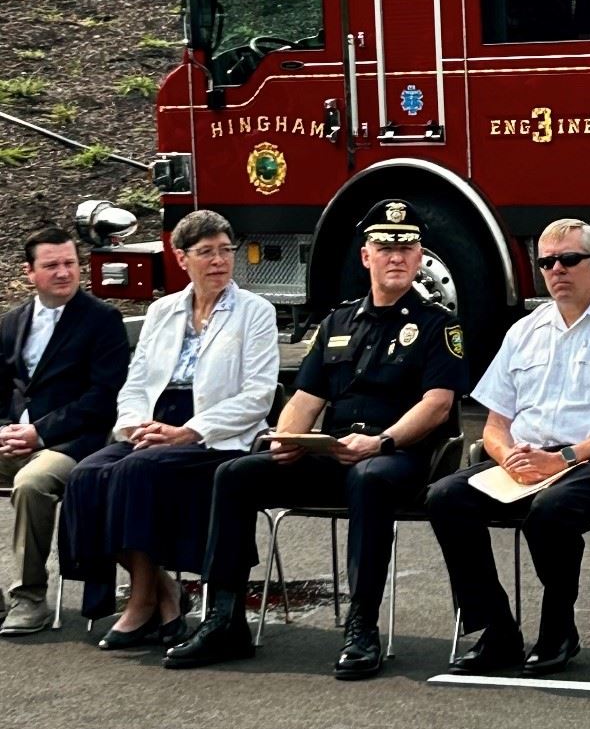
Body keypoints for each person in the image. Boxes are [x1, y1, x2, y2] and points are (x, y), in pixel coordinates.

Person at [164, 198, 467, 679]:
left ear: (419, 257)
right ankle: (223, 619)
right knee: (236, 474)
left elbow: (438, 406)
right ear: (366, 256)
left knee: (368, 479)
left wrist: (381, 442)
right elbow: (306, 398)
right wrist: (287, 438)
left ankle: (361, 625)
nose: (396, 257)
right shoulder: (338, 322)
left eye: (406, 248)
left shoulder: (436, 323)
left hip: (401, 459)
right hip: (336, 453)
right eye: (384, 247)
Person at [428, 218, 590, 677]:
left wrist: (560, 460)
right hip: (528, 460)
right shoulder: (524, 331)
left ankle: (558, 629)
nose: (557, 269)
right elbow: (496, 423)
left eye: (569, 259)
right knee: (444, 497)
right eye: (546, 262)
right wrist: (510, 458)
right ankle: (498, 632)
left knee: (550, 511)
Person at [59, 210, 279, 648]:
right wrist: (135, 427)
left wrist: (190, 431)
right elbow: (136, 382)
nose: (219, 261)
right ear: (182, 259)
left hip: (215, 435)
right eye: (206, 253)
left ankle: (141, 603)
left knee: (134, 473)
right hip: (155, 426)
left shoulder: (256, 311)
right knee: (84, 477)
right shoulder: (163, 310)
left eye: (225, 251)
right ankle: (165, 589)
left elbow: (258, 396)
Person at [0, 226, 128, 635]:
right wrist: (3, 429)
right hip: (13, 438)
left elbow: (102, 398)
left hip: (73, 443)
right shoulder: (12, 321)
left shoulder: (102, 320)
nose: (63, 272)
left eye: (70, 263)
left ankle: (29, 600)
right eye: (51, 265)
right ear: (29, 273)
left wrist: (38, 433)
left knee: (33, 484)